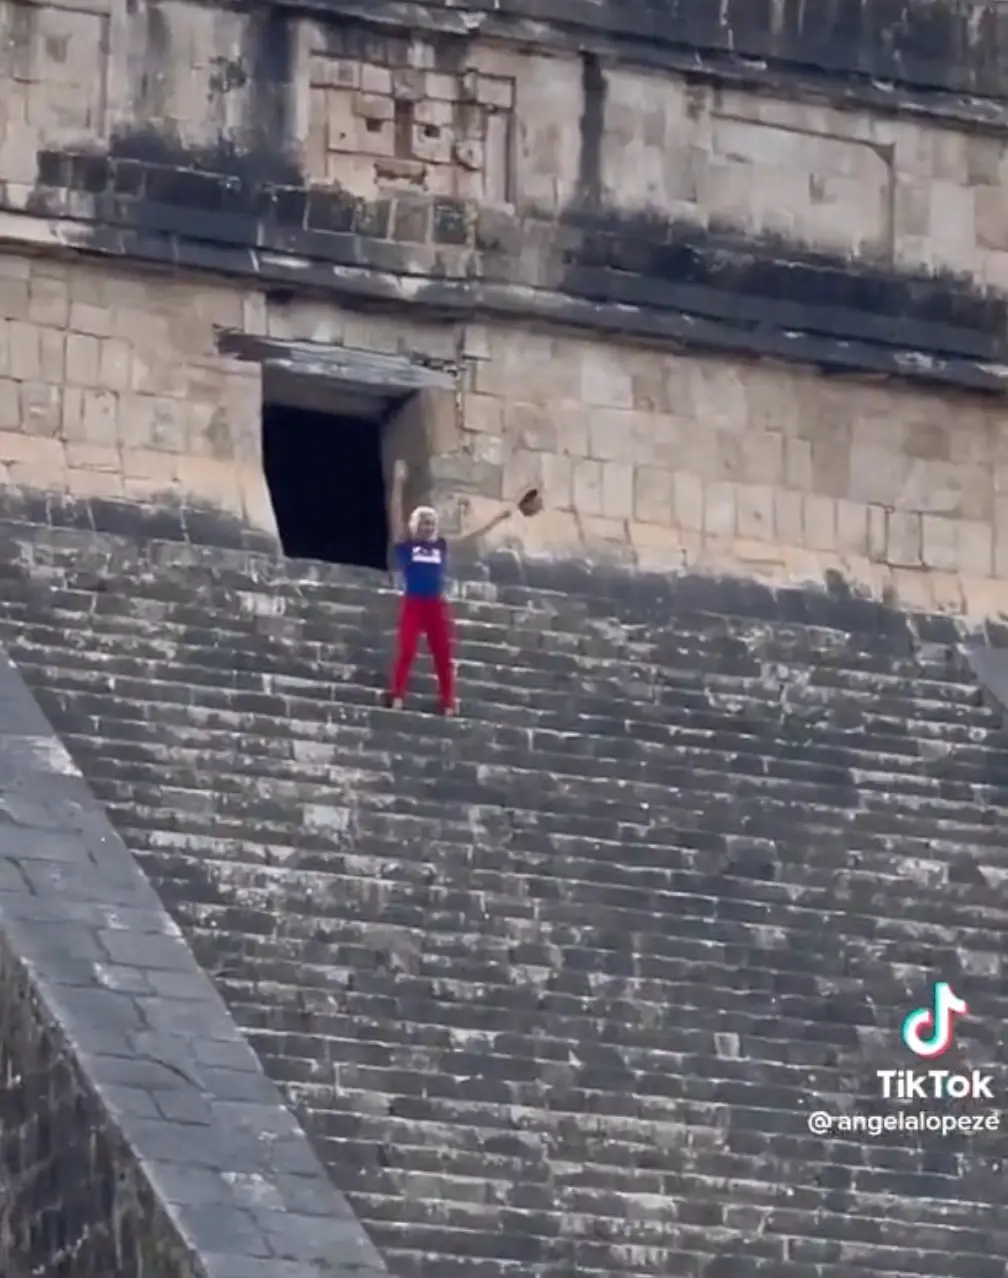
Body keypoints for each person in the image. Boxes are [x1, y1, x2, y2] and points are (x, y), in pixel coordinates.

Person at [383, 459, 513, 715]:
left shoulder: (440, 546)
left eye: (431, 523)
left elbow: (471, 537)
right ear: (415, 525)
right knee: (407, 650)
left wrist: (497, 520)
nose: (428, 527)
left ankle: (448, 701)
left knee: (443, 655)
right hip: (413, 603)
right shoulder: (405, 545)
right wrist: (399, 483)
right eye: (423, 522)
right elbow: (395, 513)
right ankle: (396, 694)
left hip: (436, 605)